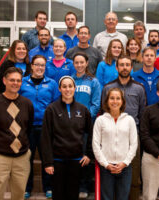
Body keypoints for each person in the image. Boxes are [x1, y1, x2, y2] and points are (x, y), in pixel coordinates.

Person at [0, 67, 34, 200]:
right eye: (12, 80)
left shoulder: (27, 104)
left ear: (21, 82)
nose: (15, 83)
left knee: (19, 194)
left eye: (18, 80)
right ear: (4, 81)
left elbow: (28, 129)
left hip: (21, 158)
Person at [101, 55, 147, 200]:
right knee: (109, 174)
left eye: (127, 65)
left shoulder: (139, 88)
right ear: (117, 67)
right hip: (111, 135)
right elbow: (104, 112)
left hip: (132, 137)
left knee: (133, 175)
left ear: (131, 68)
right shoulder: (108, 87)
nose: (125, 67)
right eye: (122, 65)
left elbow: (142, 112)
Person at [41, 76, 93, 200]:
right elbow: (46, 137)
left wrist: (88, 154)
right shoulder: (51, 109)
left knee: (73, 195)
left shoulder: (83, 109)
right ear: (59, 89)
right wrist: (48, 162)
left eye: (70, 86)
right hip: (57, 161)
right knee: (58, 195)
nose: (67, 89)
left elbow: (91, 134)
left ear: (75, 88)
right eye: (64, 86)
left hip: (76, 160)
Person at [18, 55, 60, 199]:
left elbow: (56, 105)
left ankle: (48, 187)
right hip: (26, 127)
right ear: (31, 66)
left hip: (45, 127)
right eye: (37, 65)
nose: (40, 68)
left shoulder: (52, 84)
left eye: (42, 65)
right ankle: (26, 188)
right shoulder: (22, 83)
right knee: (26, 159)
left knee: (47, 158)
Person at [93, 88, 138, 200]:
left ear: (122, 101)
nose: (115, 101)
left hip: (125, 168)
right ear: (107, 101)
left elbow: (133, 144)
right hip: (106, 167)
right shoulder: (100, 120)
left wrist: (125, 162)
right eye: (112, 98)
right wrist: (106, 164)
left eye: (118, 98)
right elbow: (95, 145)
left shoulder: (129, 120)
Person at [72, 52, 101, 198]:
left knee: (85, 156)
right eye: (76, 62)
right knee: (72, 155)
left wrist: (83, 118)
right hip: (70, 125)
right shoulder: (69, 80)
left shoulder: (93, 81)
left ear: (87, 63)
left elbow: (96, 104)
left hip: (86, 125)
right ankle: (73, 185)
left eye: (81, 62)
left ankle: (84, 186)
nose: (79, 65)